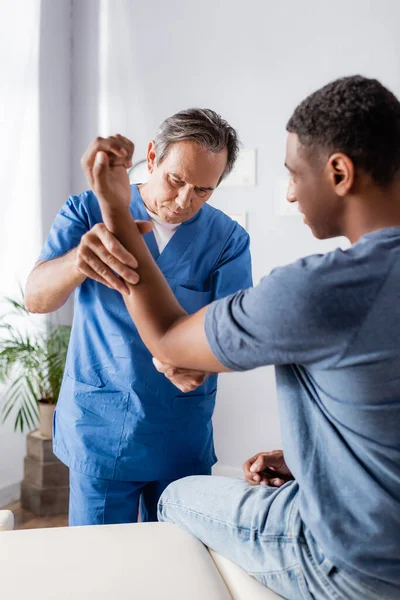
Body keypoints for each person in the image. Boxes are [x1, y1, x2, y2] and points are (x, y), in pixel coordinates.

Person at [84, 75, 400, 600]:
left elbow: (167, 339)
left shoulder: (318, 288)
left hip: (354, 561)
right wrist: (306, 458)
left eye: (294, 174)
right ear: (155, 158)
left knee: (179, 497)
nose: (293, 191)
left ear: (340, 172)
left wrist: (116, 207)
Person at [24, 109, 252, 526]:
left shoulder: (228, 240)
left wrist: (195, 361)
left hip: (178, 430)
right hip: (99, 424)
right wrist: (79, 261)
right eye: (176, 181)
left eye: (203, 190)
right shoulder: (88, 210)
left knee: (178, 561)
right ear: (152, 156)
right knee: (99, 565)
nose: (185, 202)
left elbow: (233, 336)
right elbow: (36, 299)